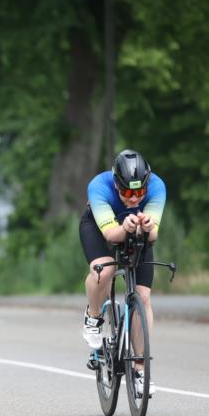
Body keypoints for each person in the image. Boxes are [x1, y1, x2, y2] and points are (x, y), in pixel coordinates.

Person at [79, 149, 166, 397]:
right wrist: (125, 227)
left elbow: (154, 235)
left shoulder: (158, 187)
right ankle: (93, 316)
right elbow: (110, 235)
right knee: (104, 270)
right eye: (128, 192)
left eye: (140, 192)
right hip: (99, 228)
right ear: (116, 185)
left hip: (137, 233)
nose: (134, 199)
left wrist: (146, 228)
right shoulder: (99, 186)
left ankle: (139, 370)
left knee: (144, 296)